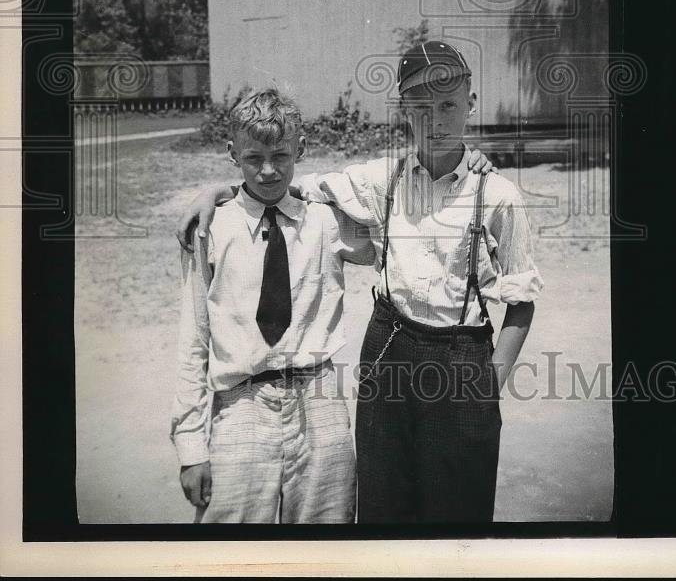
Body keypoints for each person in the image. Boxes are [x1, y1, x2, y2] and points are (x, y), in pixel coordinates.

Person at [176, 42, 543, 523]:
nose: (436, 121)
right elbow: (288, 185)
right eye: (420, 109)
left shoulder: (497, 194)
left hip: (462, 358)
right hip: (389, 351)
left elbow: (521, 301)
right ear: (404, 114)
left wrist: (486, 388)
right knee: (380, 507)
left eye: (449, 105)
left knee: (458, 511)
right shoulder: (379, 179)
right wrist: (219, 191)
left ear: (471, 103)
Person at [170, 87, 374, 524]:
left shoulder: (325, 221)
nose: (267, 171)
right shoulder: (211, 229)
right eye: (253, 159)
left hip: (319, 400)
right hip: (242, 401)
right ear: (232, 154)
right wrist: (191, 446)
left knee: (328, 548)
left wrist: (470, 164)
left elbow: (401, 230)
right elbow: (194, 339)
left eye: (281, 156)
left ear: (301, 149)